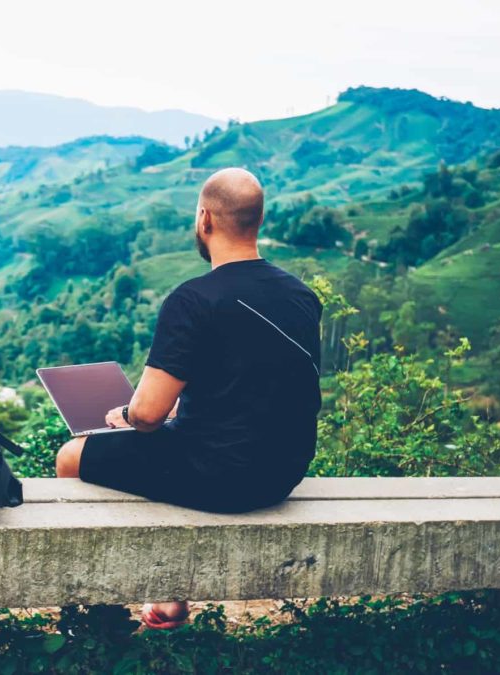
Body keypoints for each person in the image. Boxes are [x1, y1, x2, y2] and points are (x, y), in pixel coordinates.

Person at [54, 167, 323, 630]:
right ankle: (169, 593)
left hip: (223, 475)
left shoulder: (193, 299)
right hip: (283, 470)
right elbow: (257, 385)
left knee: (72, 457)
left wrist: (127, 414)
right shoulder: (301, 296)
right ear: (257, 221)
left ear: (204, 219)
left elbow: (148, 413)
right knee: (162, 443)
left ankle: (99, 616)